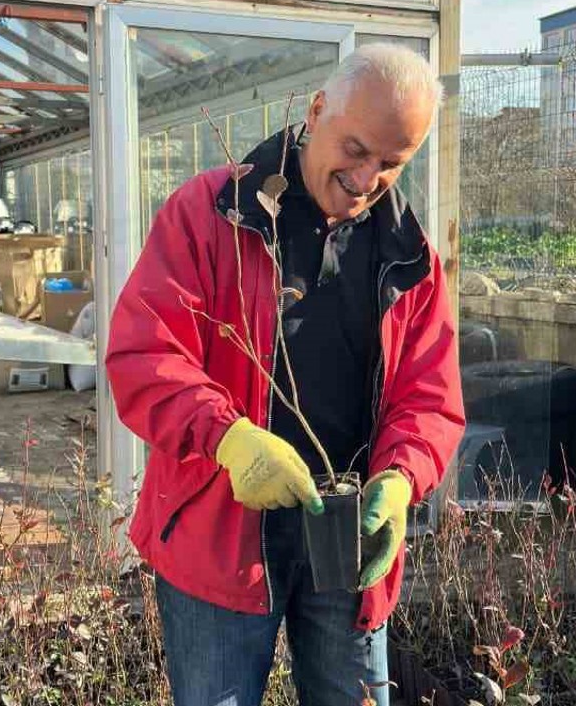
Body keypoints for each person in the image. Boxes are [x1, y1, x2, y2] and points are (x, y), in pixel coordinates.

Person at [106, 43, 465, 706]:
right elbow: (143, 356)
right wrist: (228, 438)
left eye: (392, 162)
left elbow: (430, 399)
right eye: (356, 149)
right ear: (317, 109)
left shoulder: (409, 257)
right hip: (219, 529)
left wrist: (400, 477)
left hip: (345, 534)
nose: (366, 177)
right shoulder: (213, 212)